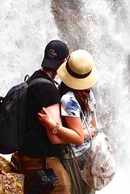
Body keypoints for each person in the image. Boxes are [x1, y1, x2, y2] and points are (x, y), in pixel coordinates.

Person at [37, 49, 98, 194]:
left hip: (74, 157)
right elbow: (93, 126)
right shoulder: (88, 93)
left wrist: (53, 125)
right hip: (90, 151)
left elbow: (77, 138)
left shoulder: (68, 100)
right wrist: (85, 132)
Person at [17, 39, 71, 194]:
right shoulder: (49, 91)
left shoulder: (33, 78)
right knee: (63, 189)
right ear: (64, 61)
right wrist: (79, 136)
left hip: (27, 155)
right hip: (42, 161)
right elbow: (55, 137)